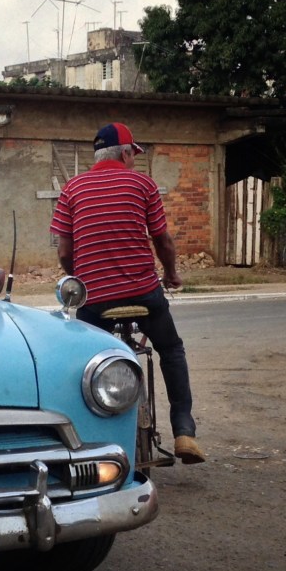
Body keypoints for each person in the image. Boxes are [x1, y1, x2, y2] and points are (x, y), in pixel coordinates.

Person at [50, 122, 205, 464]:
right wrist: (171, 273)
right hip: (144, 293)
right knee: (171, 350)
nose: (133, 160)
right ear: (124, 153)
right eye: (132, 154)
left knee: (86, 362)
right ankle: (184, 431)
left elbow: (64, 252)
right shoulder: (143, 185)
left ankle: (87, 441)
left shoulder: (72, 189)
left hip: (95, 300)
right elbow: (162, 240)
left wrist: (82, 279)